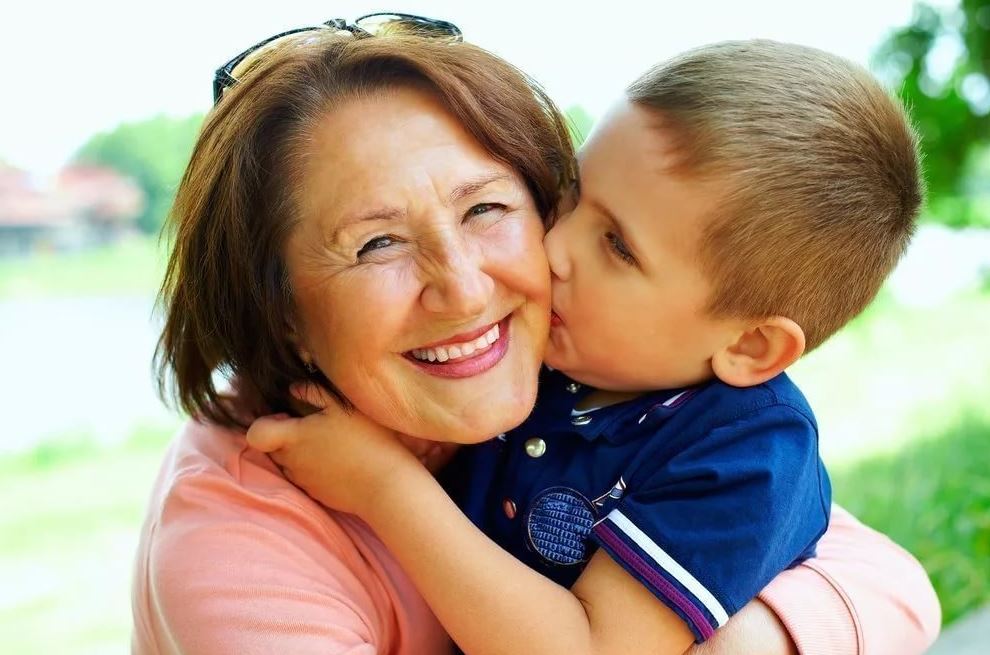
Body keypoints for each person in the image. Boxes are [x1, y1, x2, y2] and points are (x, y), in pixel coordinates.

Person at [132, 18, 940, 655]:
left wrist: (388, 487)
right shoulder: (237, 531)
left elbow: (886, 579)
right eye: (376, 243)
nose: (542, 257)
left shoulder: (707, 428)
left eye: (488, 208)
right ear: (274, 303)